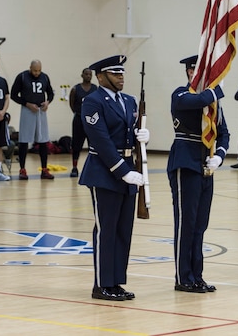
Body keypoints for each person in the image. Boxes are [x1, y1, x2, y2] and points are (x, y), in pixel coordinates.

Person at [78, 55, 148, 301]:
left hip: (129, 169)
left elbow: (130, 134)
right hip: (104, 172)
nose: (121, 76)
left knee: (123, 230)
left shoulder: (129, 101)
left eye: (122, 72)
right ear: (100, 76)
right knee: (106, 229)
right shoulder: (93, 101)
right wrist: (123, 170)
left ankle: (116, 281)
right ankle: (101, 284)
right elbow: (100, 140)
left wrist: (142, 136)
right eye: (115, 73)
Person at [167, 55, 229, 293]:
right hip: (186, 163)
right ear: (189, 72)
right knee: (186, 223)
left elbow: (224, 134)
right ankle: (183, 277)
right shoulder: (180, 94)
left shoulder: (213, 103)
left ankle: (197, 276)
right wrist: (215, 90)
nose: (198, 75)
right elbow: (197, 100)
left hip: (206, 165)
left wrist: (220, 156)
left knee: (200, 225)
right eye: (195, 70)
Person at [10, 59, 55, 180]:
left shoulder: (44, 77)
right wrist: (27, 104)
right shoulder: (22, 77)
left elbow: (50, 93)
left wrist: (47, 102)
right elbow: (13, 95)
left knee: (43, 140)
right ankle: (22, 169)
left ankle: (44, 169)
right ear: (30, 68)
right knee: (24, 140)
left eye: (39, 70)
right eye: (35, 70)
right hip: (27, 110)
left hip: (41, 111)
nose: (37, 73)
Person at [68, 67, 97, 178]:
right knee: (76, 145)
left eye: (90, 74)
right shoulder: (75, 89)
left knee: (93, 145)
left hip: (92, 121)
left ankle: (93, 168)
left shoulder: (95, 89)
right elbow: (72, 104)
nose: (88, 76)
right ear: (82, 75)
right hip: (79, 120)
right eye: (86, 74)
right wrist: (79, 113)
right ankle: (74, 168)